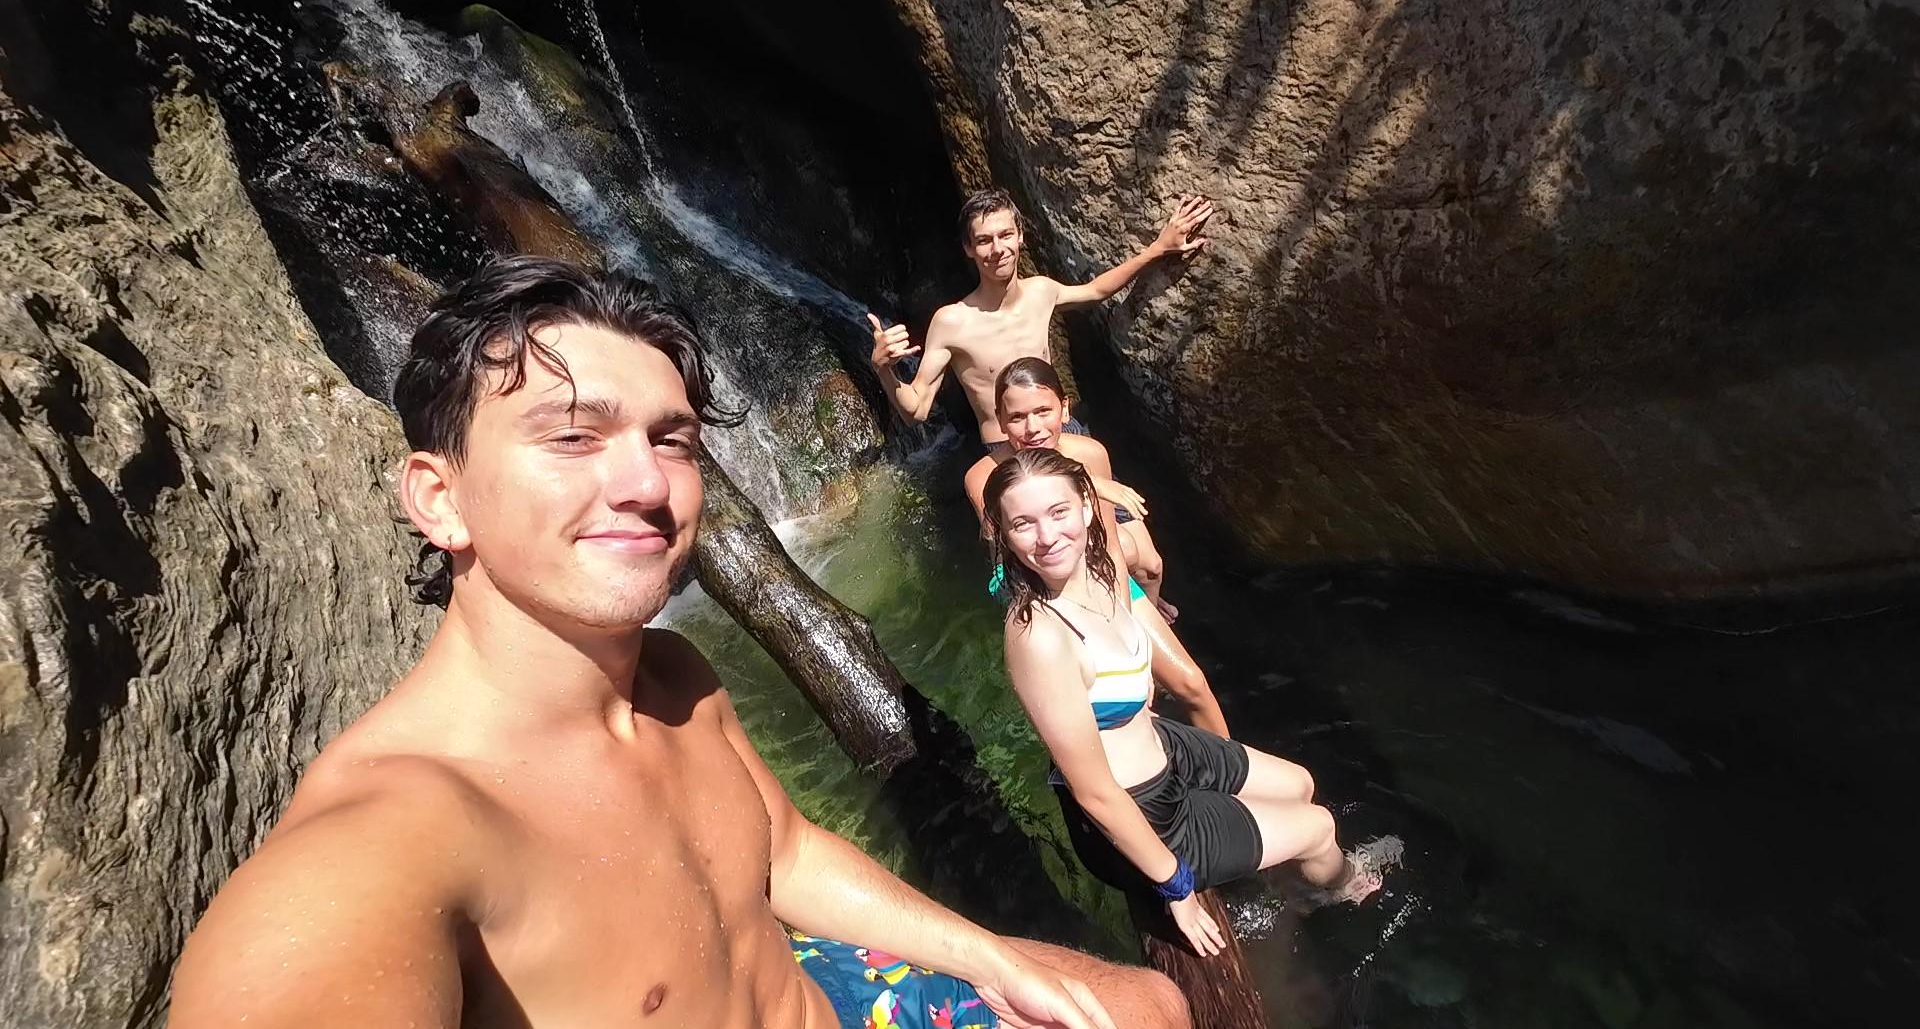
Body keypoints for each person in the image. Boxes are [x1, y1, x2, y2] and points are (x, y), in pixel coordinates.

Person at [169, 257, 1188, 1028]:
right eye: (572, 435)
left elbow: (784, 853)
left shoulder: (676, 674)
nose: (648, 484)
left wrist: (992, 960)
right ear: (440, 499)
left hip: (822, 989)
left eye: (671, 439)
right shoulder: (375, 851)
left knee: (1150, 1005)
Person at [984, 449, 1383, 957]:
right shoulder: (1038, 636)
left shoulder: (1101, 570)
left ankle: (1279, 867)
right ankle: (1335, 892)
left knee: (1301, 783)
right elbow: (1095, 793)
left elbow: (1141, 588)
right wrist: (1177, 886)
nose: (1046, 536)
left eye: (1058, 512)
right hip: (1146, 811)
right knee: (1320, 827)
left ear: (1085, 506)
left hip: (1165, 746)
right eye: (1023, 524)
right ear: (1005, 534)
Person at [962, 360, 1228, 739]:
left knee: (1192, 684)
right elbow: (1015, 544)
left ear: (1064, 410)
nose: (1032, 427)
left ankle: (1227, 768)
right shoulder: (982, 475)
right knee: (1103, 708)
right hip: (1036, 588)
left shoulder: (1090, 453)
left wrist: (1127, 633)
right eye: (1017, 417)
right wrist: (1090, 484)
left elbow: (1110, 548)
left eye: (1043, 411)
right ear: (1000, 423)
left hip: (1093, 573)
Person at [865, 188, 1213, 454]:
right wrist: (883, 369)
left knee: (1127, 522)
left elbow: (1095, 291)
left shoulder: (1041, 292)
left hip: (1063, 432)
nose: (997, 249)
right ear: (968, 249)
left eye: (1005, 235)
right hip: (1008, 451)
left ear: (1020, 236)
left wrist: (1158, 249)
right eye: (984, 241)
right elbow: (916, 410)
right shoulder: (953, 321)